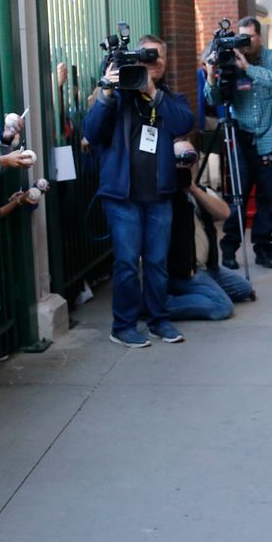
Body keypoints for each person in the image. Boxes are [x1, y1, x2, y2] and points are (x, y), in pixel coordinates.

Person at [83, 34, 194, 347]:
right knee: (128, 263)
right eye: (146, 57)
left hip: (159, 196)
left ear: (165, 63)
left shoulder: (169, 98)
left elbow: (184, 122)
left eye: (158, 57)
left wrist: (152, 92)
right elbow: (91, 132)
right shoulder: (116, 98)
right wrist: (106, 91)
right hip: (122, 197)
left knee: (158, 262)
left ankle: (159, 321)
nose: (152, 62)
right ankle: (124, 326)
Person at [203, 16, 272, 270]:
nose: (243, 43)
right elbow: (215, 99)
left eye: (248, 38)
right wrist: (211, 76)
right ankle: (229, 248)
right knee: (236, 197)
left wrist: (248, 68)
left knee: (269, 199)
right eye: (239, 37)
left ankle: (263, 249)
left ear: (259, 37)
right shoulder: (228, 61)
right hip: (241, 139)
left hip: (271, 138)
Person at [165, 139, 253, 321]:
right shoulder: (165, 194)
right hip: (185, 271)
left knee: (244, 289)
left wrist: (193, 189)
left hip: (209, 268)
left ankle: (199, 293)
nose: (185, 165)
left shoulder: (200, 191)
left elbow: (224, 212)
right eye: (179, 160)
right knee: (221, 307)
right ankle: (160, 305)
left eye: (190, 159)